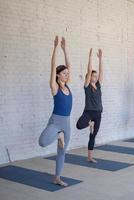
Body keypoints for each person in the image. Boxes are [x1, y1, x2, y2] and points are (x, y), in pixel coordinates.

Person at [39, 36, 72, 186]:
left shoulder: (67, 86)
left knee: (62, 152)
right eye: (64, 73)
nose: (67, 74)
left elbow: (69, 67)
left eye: (67, 73)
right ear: (58, 75)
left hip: (67, 122)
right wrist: (55, 49)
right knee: (43, 142)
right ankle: (58, 135)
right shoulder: (55, 87)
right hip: (56, 121)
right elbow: (53, 68)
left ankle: (57, 177)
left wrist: (65, 50)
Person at [76, 48, 103, 163]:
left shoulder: (99, 85)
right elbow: (89, 70)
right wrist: (90, 58)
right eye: (93, 75)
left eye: (96, 76)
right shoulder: (87, 86)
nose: (96, 77)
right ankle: (89, 123)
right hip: (89, 112)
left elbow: (101, 73)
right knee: (79, 125)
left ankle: (90, 157)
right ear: (89, 76)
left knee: (93, 135)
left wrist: (101, 59)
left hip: (98, 113)